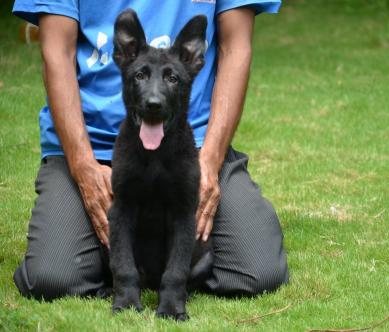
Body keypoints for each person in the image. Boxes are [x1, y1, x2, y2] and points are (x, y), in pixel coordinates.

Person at [12, 0, 288, 300]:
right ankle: (115, 259)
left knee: (259, 273)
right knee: (51, 280)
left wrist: (209, 159)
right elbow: (57, 51)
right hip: (89, 144)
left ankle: (137, 261)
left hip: (192, 148)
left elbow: (235, 47)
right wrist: (82, 165)